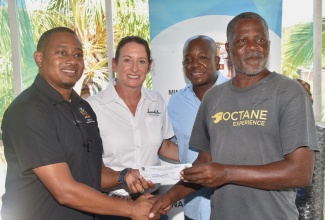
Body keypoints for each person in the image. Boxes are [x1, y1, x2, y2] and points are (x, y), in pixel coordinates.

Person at [149, 12, 318, 220]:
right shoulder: (213, 98)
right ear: (229, 49)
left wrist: (227, 173)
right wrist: (166, 199)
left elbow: (300, 172)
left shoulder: (290, 92)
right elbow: (203, 164)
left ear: (268, 44)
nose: (253, 46)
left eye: (260, 39)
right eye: (243, 41)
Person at [1, 27, 157, 220]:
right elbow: (64, 190)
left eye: (78, 54)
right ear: (39, 58)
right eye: (62, 52)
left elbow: (93, 174)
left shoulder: (82, 108)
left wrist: (123, 176)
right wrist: (131, 209)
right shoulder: (28, 111)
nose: (72, 60)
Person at [87, 35, 178, 219]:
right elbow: (90, 165)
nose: (135, 68)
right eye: (127, 60)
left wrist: (202, 156)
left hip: (153, 203)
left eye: (141, 61)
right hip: (114, 207)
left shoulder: (156, 101)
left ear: (149, 67)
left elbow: (164, 145)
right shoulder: (93, 107)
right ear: (114, 64)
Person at [167, 35, 229, 220]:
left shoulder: (237, 95)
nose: (194, 64)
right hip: (193, 208)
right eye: (188, 59)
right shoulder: (176, 102)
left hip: (231, 208)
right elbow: (178, 147)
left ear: (216, 62)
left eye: (202, 57)